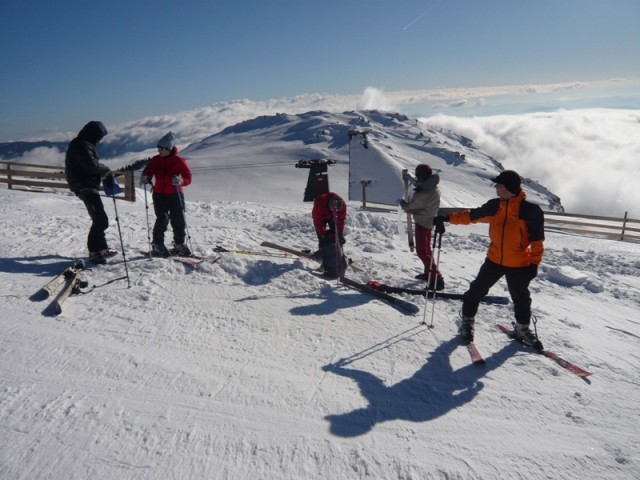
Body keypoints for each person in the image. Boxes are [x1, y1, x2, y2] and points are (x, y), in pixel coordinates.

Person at [434, 170, 545, 347]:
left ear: (508, 187)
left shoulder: (530, 211)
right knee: (476, 291)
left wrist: (533, 264)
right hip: (494, 260)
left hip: (518, 263)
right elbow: (471, 216)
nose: (496, 188)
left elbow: (537, 240)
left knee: (521, 298)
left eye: (499, 185)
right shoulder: (495, 206)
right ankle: (467, 322)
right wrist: (447, 218)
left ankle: (522, 329)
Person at [65, 120, 118, 265]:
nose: (100, 141)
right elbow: (90, 165)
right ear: (93, 135)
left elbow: (88, 166)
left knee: (100, 219)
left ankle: (101, 248)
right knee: (100, 219)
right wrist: (105, 169)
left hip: (86, 184)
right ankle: (95, 252)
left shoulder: (83, 144)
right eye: (99, 137)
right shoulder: (81, 145)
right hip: (84, 185)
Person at [140, 132, 193, 257]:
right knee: (162, 219)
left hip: (175, 194)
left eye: (162, 148)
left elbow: (188, 177)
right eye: (159, 148)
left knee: (178, 219)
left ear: (169, 148)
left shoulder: (178, 161)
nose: (160, 151)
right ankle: (157, 244)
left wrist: (181, 181)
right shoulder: (155, 160)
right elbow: (148, 171)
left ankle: (179, 243)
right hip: (159, 194)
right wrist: (145, 177)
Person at [400, 164, 445, 291]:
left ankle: (437, 279)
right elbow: (420, 184)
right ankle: (428, 273)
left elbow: (409, 207)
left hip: (422, 222)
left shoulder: (423, 193)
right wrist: (408, 178)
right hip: (429, 220)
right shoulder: (432, 185)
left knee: (422, 252)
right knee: (427, 250)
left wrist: (401, 202)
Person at [311, 192, 347, 276]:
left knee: (336, 238)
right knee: (322, 239)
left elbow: (341, 220)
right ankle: (325, 260)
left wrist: (339, 234)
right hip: (321, 216)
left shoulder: (342, 206)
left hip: (334, 217)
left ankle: (337, 257)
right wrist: (323, 234)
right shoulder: (320, 202)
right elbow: (318, 221)